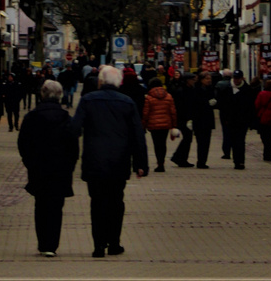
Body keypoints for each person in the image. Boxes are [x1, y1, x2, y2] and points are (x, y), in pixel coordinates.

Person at [72, 64, 148, 258]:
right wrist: (141, 164)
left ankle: (98, 246)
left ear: (101, 81)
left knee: (97, 203)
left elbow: (74, 129)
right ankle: (114, 243)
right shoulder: (128, 102)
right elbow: (137, 135)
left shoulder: (88, 100)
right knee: (116, 202)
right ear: (119, 82)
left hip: (94, 160)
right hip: (119, 161)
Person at [17, 79, 79, 258]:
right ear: (60, 95)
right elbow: (73, 146)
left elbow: (23, 143)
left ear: (42, 94)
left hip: (39, 168)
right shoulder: (66, 118)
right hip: (60, 169)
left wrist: (29, 162)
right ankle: (52, 244)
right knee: (56, 206)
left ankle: (43, 243)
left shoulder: (32, 117)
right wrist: (70, 165)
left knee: (41, 204)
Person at [141, 77, 178, 172]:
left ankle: (159, 163)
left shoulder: (149, 98)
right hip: (165, 124)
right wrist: (174, 125)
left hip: (154, 125)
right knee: (163, 144)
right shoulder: (169, 96)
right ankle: (162, 162)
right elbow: (173, 112)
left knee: (157, 144)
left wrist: (143, 125)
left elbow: (146, 113)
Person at [223, 69, 254, 169]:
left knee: (240, 141)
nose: (236, 80)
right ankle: (236, 160)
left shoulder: (247, 89)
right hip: (231, 120)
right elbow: (224, 105)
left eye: (238, 78)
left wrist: (250, 120)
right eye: (235, 78)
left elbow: (250, 106)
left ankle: (240, 161)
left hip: (242, 120)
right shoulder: (228, 88)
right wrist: (225, 119)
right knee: (233, 141)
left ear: (242, 78)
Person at [170, 72, 196, 166]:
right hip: (183, 118)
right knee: (187, 138)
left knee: (187, 138)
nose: (194, 81)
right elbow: (180, 106)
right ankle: (179, 158)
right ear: (187, 80)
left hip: (188, 118)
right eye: (193, 80)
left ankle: (180, 157)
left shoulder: (190, 89)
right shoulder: (182, 90)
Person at [192, 70, 216, 168]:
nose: (209, 80)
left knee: (206, 142)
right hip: (199, 119)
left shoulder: (211, 89)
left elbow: (215, 99)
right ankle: (200, 161)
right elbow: (195, 104)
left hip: (208, 119)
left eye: (210, 79)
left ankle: (203, 161)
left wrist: (214, 102)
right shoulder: (196, 89)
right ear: (201, 80)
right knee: (200, 141)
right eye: (206, 79)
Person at [254, 78, 271, 161]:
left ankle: (268, 152)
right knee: (270, 136)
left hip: (263, 118)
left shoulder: (261, 94)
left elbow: (257, 105)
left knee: (264, 136)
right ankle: (269, 151)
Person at [214, 69, 234, 159]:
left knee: (226, 132)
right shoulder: (234, 85)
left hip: (223, 111)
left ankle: (226, 152)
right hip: (233, 112)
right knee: (234, 132)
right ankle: (235, 151)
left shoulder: (219, 84)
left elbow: (216, 97)